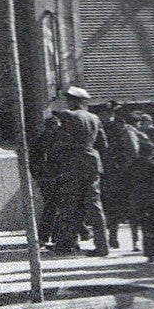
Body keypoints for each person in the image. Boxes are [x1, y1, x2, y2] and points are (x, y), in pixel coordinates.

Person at [50, 86, 110, 256]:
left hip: (73, 165)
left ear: (73, 101)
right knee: (95, 205)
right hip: (92, 164)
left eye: (69, 99)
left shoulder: (68, 116)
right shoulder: (94, 118)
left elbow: (60, 141)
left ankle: (65, 244)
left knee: (69, 204)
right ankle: (102, 245)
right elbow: (103, 144)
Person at [100, 102, 141, 250]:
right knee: (121, 207)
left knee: (116, 207)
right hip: (122, 172)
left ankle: (117, 238)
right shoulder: (123, 128)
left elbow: (133, 151)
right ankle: (122, 239)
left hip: (118, 173)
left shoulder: (121, 128)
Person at [31, 113, 63, 247]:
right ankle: (46, 236)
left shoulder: (43, 140)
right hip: (50, 178)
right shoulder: (48, 141)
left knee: (53, 207)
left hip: (50, 178)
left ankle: (51, 236)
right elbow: (36, 161)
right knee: (53, 207)